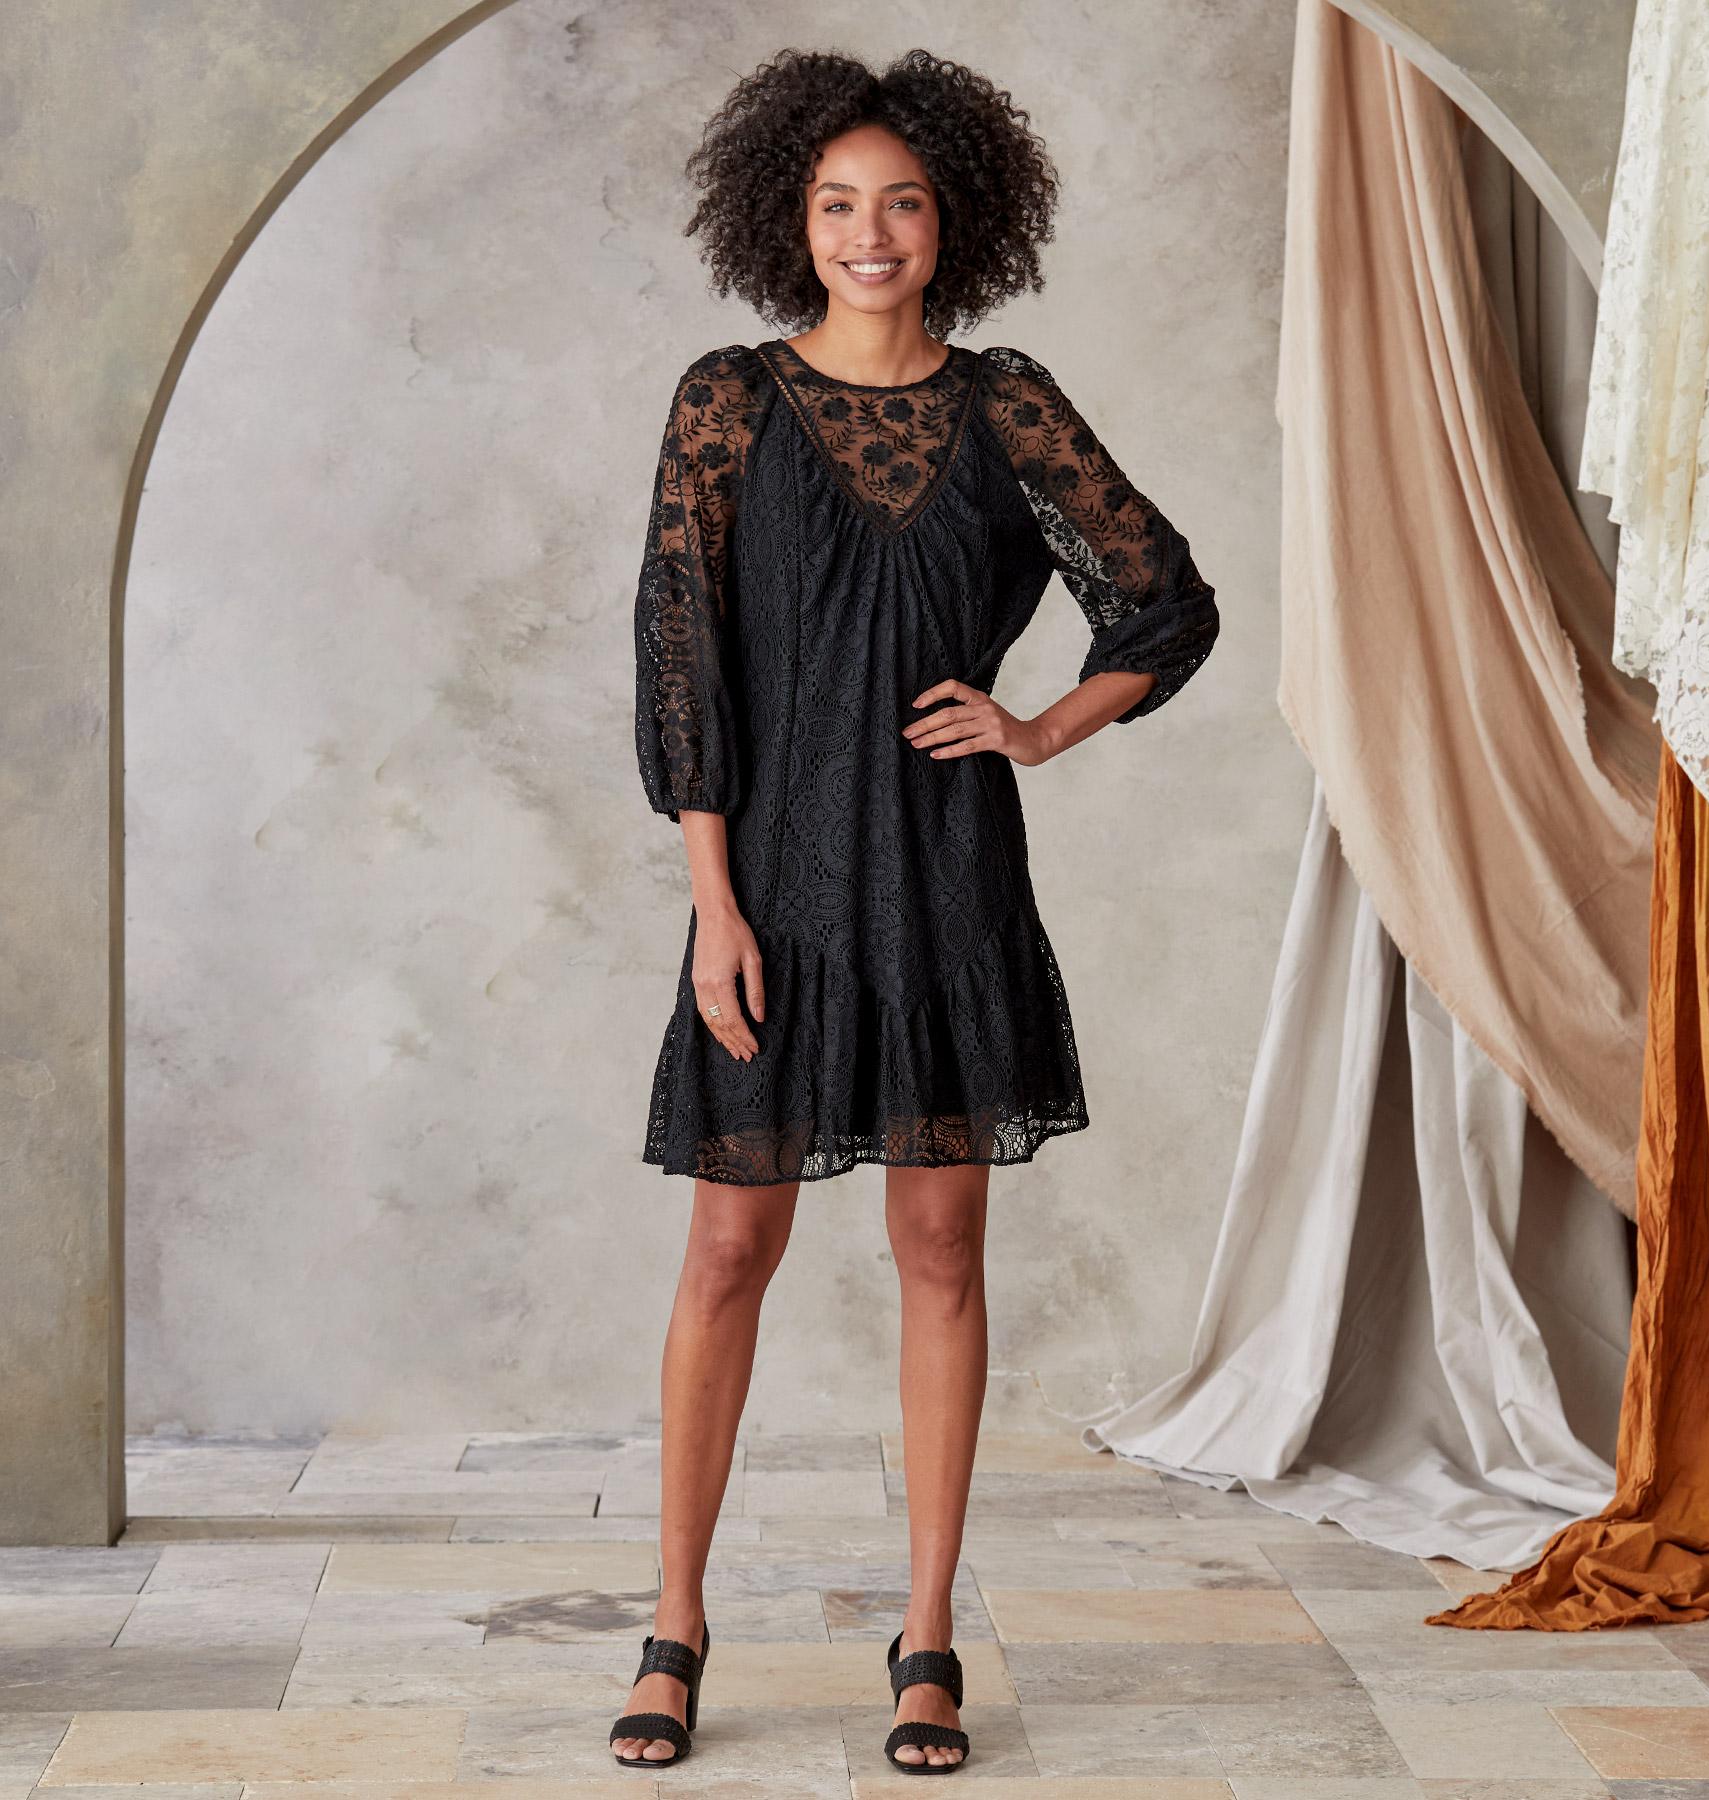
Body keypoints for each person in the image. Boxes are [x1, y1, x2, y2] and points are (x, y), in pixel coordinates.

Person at [614, 46, 1220, 1774]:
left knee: (942, 1252)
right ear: (788, 221)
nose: (867, 233)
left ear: (956, 221)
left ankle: (931, 1635)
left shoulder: (1007, 404)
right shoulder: (728, 400)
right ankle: (675, 1625)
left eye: (900, 202)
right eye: (835, 204)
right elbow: (682, 662)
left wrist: (1038, 728)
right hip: (773, 893)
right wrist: (714, 906)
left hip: (949, 884)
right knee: (728, 1249)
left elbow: (1165, 602)